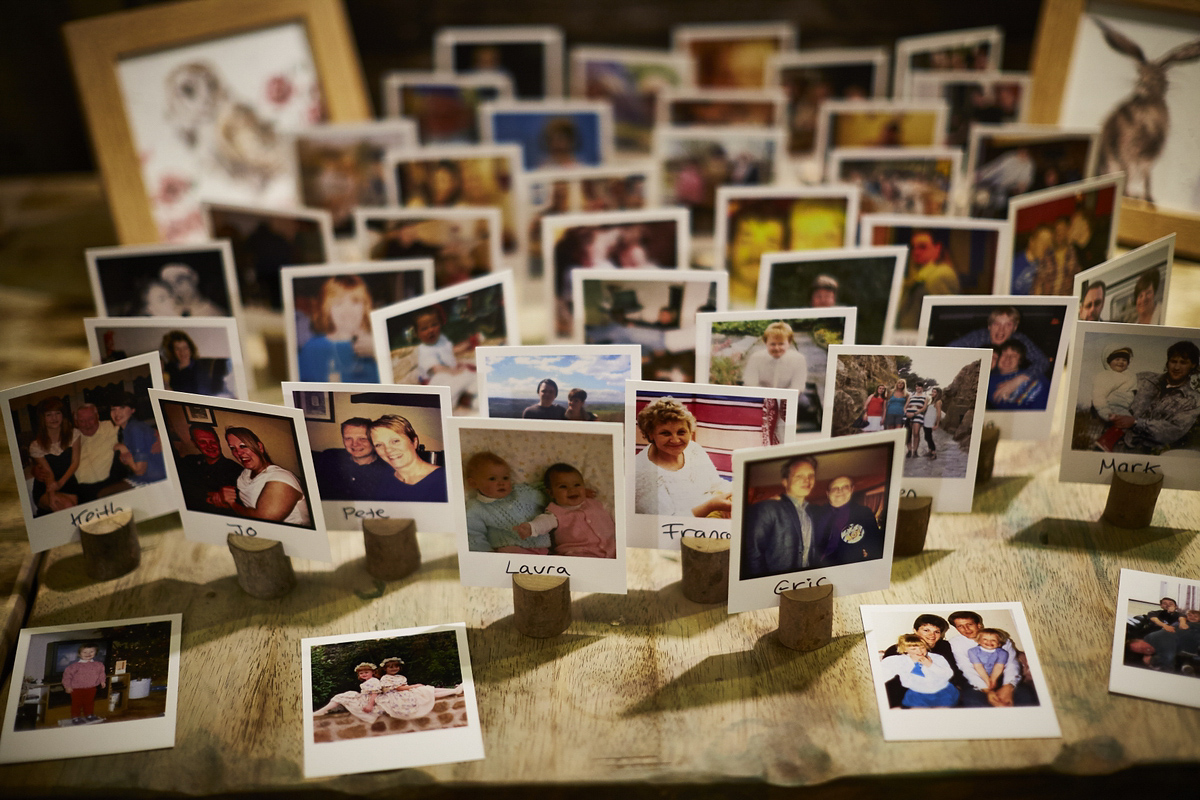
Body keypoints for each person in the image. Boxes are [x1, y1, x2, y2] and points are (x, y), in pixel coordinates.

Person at [633, 397, 731, 518]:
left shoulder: (694, 449)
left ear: (690, 431)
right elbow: (666, 524)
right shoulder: (640, 473)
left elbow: (716, 485)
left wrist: (735, 493)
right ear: (650, 434)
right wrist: (711, 506)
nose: (675, 440)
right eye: (665, 433)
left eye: (681, 432)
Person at [742, 455, 832, 578]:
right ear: (785, 481)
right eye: (799, 476)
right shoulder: (768, 508)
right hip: (777, 585)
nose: (807, 480)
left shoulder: (811, 513)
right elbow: (752, 554)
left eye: (811, 476)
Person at [1113, 340, 1200, 453]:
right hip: (1109, 442)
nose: (1177, 367)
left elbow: (1173, 431)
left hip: (1146, 456)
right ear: (1167, 362)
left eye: (1183, 363)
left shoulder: (1193, 400)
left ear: (1193, 365)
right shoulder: (1143, 379)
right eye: (1173, 361)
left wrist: (1136, 422)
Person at [214, 427, 311, 526]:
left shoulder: (281, 478)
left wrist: (232, 504)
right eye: (233, 448)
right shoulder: (245, 474)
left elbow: (264, 520)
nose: (238, 453)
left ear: (259, 447)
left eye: (243, 446)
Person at [464, 451, 554, 554]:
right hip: (510, 550)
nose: (501, 483)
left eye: (505, 478)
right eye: (492, 479)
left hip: (542, 548)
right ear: (473, 483)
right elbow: (474, 534)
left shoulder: (522, 492)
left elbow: (548, 493)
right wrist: (487, 555)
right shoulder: (476, 507)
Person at [947, 610, 1038, 707]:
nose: (966, 629)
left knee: (1025, 696)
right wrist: (987, 690)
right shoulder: (955, 643)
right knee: (973, 701)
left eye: (969, 624)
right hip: (974, 680)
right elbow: (966, 667)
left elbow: (1011, 663)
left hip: (1002, 677)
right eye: (960, 626)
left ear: (979, 625)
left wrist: (1008, 686)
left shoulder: (1000, 638)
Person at [298, 275, 379, 383]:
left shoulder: (377, 344)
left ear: (365, 307)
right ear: (327, 310)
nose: (347, 311)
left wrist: (380, 353)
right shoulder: (311, 349)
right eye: (338, 303)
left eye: (355, 302)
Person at [879, 614, 967, 708]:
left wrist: (964, 688)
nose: (932, 635)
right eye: (926, 630)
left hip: (942, 691)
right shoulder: (898, 649)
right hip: (910, 695)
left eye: (937, 632)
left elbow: (952, 669)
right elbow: (889, 682)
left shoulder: (943, 646)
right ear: (915, 631)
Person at [948, 307, 1051, 379]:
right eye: (997, 324)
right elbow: (949, 350)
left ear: (1014, 328)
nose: (1001, 330)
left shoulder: (1020, 339)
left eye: (1008, 325)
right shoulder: (979, 337)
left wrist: (1020, 379)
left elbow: (1043, 362)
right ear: (989, 326)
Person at [540, 463, 616, 559]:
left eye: (577, 485)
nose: (572, 490)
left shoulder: (598, 504)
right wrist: (531, 528)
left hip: (613, 551)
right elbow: (543, 523)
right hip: (577, 555)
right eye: (563, 486)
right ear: (551, 492)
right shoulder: (554, 513)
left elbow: (618, 515)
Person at [313, 417, 395, 501]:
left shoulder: (391, 469)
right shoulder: (329, 458)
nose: (355, 444)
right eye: (348, 438)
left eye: (362, 439)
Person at [368, 415, 447, 502]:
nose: (388, 450)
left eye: (395, 441)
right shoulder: (382, 479)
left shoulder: (444, 480)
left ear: (414, 442)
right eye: (379, 445)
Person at [414, 307, 475, 409]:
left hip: (450, 372)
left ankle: (467, 396)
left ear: (440, 325)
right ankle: (446, 405)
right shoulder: (424, 350)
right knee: (452, 383)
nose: (431, 330)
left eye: (434, 325)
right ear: (417, 334)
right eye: (424, 329)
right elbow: (435, 368)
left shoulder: (441, 339)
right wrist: (453, 371)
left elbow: (449, 350)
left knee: (469, 376)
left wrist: (463, 347)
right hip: (434, 378)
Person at [897, 229, 959, 329]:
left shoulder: (942, 274)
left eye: (922, 247)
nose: (916, 252)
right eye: (913, 247)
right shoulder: (912, 274)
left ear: (937, 248)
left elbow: (942, 318)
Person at [28, 397, 80, 515]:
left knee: (71, 508)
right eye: (49, 415)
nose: (54, 418)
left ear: (63, 416)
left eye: (58, 413)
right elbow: (48, 473)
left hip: (68, 482)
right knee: (67, 505)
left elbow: (75, 463)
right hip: (45, 488)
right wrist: (51, 496)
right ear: (43, 418)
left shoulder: (74, 434)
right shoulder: (36, 445)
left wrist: (60, 483)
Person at [177, 423, 244, 514]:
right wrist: (207, 494)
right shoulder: (189, 461)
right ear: (194, 443)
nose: (210, 446)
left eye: (213, 442)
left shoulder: (236, 471)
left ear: (218, 441)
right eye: (203, 442)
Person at [373, 656, 462, 721]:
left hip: (405, 691)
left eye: (396, 666)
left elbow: (404, 686)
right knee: (425, 691)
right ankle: (454, 691)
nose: (394, 669)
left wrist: (413, 687)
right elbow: (398, 688)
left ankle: (454, 690)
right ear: (385, 669)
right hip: (396, 695)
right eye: (391, 667)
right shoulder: (385, 678)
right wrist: (414, 686)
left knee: (427, 689)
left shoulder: (400, 677)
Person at [70, 403, 125, 502]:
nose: (87, 424)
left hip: (111, 484)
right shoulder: (72, 438)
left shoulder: (110, 427)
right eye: (82, 421)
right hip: (83, 491)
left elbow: (134, 429)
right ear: (76, 422)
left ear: (97, 416)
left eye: (91, 419)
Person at [823, 475, 883, 564]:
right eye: (835, 488)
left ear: (851, 490)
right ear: (827, 493)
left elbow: (875, 544)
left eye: (845, 487)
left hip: (850, 567)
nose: (840, 491)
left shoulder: (863, 512)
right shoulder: (816, 514)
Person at [110, 392, 165, 485]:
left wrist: (122, 448)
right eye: (113, 409)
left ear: (133, 410)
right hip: (150, 476)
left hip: (154, 479)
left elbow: (140, 471)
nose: (116, 413)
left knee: (104, 494)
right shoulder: (128, 429)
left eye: (122, 408)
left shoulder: (134, 429)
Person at [1090, 346, 1137, 452]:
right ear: (1109, 362)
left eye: (1124, 360)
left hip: (1123, 406)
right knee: (1125, 421)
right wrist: (1106, 412)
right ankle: (1105, 442)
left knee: (1126, 421)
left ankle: (1107, 441)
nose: (1121, 362)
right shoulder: (1106, 376)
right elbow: (1099, 395)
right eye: (1117, 359)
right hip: (1112, 405)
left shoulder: (1129, 376)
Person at [741, 321, 807, 392]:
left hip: (788, 396)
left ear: (789, 343)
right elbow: (750, 383)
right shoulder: (756, 358)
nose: (777, 348)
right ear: (766, 343)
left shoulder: (798, 359)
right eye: (773, 344)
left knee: (805, 402)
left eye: (781, 344)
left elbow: (798, 386)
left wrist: (782, 400)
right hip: (761, 395)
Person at [161, 330, 227, 396]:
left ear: (191, 349)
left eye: (185, 348)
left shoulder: (199, 370)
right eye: (177, 349)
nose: (182, 352)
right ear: (173, 351)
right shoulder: (170, 366)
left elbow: (202, 396)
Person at [312, 662, 382, 723]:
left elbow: (374, 693)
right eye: (361, 673)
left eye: (366, 672)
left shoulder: (374, 681)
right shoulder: (368, 681)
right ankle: (323, 710)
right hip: (364, 698)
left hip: (368, 701)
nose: (364, 674)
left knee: (342, 696)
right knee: (345, 695)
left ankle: (323, 711)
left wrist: (370, 705)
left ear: (373, 672)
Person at [989, 340, 1047, 410]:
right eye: (1004, 354)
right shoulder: (989, 381)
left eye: (1014, 356)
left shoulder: (1035, 375)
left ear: (1020, 361)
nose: (1008, 358)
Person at [1140, 608, 1200, 673]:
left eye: (1195, 616)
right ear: (1186, 617)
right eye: (1190, 615)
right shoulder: (1178, 623)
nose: (1192, 617)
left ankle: (1185, 665)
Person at [62, 643, 106, 725]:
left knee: (89, 702)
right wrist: (67, 686)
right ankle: (76, 717)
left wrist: (102, 681)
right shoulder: (74, 666)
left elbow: (101, 673)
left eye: (91, 652)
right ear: (79, 654)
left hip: (91, 687)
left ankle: (89, 715)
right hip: (76, 689)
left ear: (95, 653)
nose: (88, 654)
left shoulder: (99, 665)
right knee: (77, 703)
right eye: (85, 652)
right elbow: (67, 676)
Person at [1011, 225, 1053, 295]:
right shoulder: (1014, 264)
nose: (1046, 246)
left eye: (1048, 242)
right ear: (1032, 241)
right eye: (1042, 241)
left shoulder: (1047, 265)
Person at [968, 629, 1010, 693]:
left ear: (999, 643)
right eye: (985, 639)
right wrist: (987, 681)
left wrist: (993, 680)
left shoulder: (1003, 653)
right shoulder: (973, 651)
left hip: (996, 676)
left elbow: (999, 666)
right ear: (979, 641)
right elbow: (978, 666)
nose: (989, 642)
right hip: (978, 675)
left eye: (993, 640)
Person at [904, 383, 927, 458]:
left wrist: (915, 413)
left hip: (918, 415)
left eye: (919, 387)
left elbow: (924, 408)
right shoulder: (911, 395)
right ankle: (909, 450)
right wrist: (906, 412)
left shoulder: (925, 397)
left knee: (916, 433)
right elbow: (906, 405)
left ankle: (915, 450)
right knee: (908, 433)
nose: (918, 388)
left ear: (922, 388)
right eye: (917, 386)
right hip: (908, 415)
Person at [921, 386, 943, 460]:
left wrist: (937, 424)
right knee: (926, 437)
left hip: (931, 422)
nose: (933, 393)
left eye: (935, 392)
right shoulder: (932, 401)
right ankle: (930, 450)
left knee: (929, 437)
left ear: (938, 393)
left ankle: (934, 453)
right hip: (926, 421)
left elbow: (939, 413)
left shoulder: (938, 402)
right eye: (932, 391)